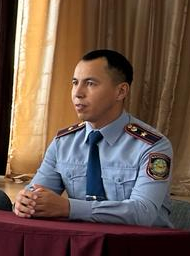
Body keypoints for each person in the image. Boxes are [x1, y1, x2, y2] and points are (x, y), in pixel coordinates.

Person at [14, 49, 173, 227]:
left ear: (121, 91)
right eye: (75, 83)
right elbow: (36, 195)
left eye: (90, 83)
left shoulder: (152, 146)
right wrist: (27, 202)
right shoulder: (63, 142)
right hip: (81, 241)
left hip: (140, 242)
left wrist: (70, 208)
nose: (78, 93)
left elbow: (143, 212)